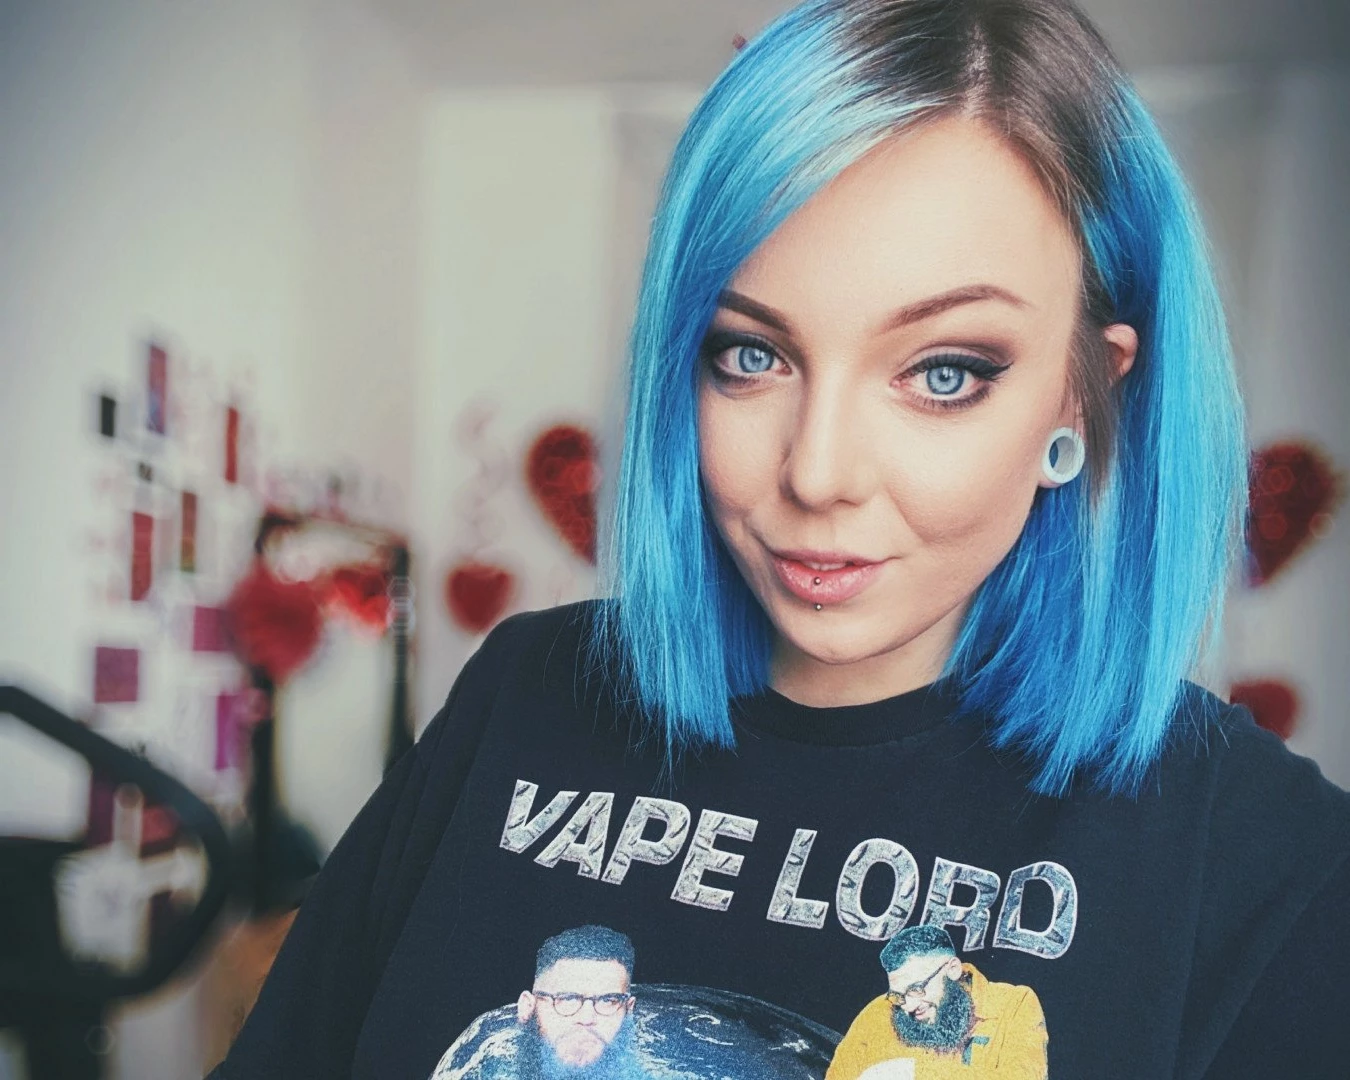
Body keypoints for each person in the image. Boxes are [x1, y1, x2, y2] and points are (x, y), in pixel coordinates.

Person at [206, 1, 1350, 1078]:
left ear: (1082, 393)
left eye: (944, 372)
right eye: (751, 355)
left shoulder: (1261, 854)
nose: (817, 473)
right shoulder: (524, 691)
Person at [431, 925, 647, 1079]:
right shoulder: (477, 1067)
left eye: (608, 1001)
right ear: (528, 1007)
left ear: (629, 1010)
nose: (587, 1018)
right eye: (567, 998)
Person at [827, 926, 1047, 1077]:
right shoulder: (878, 1012)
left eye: (916, 989)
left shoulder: (1015, 1004)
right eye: (899, 995)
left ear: (953, 969)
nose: (909, 1006)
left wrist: (914, 1072)